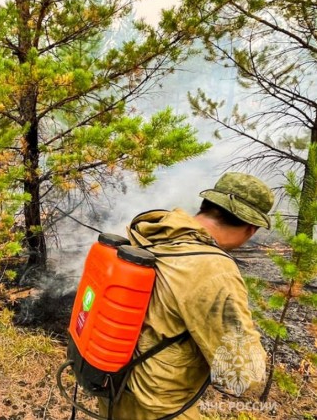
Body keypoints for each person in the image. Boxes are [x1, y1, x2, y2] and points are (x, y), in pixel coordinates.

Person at [100, 172, 274, 419]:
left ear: (205, 206)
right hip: (156, 408)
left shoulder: (150, 233)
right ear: (251, 228)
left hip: (113, 389)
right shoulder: (212, 269)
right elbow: (243, 375)